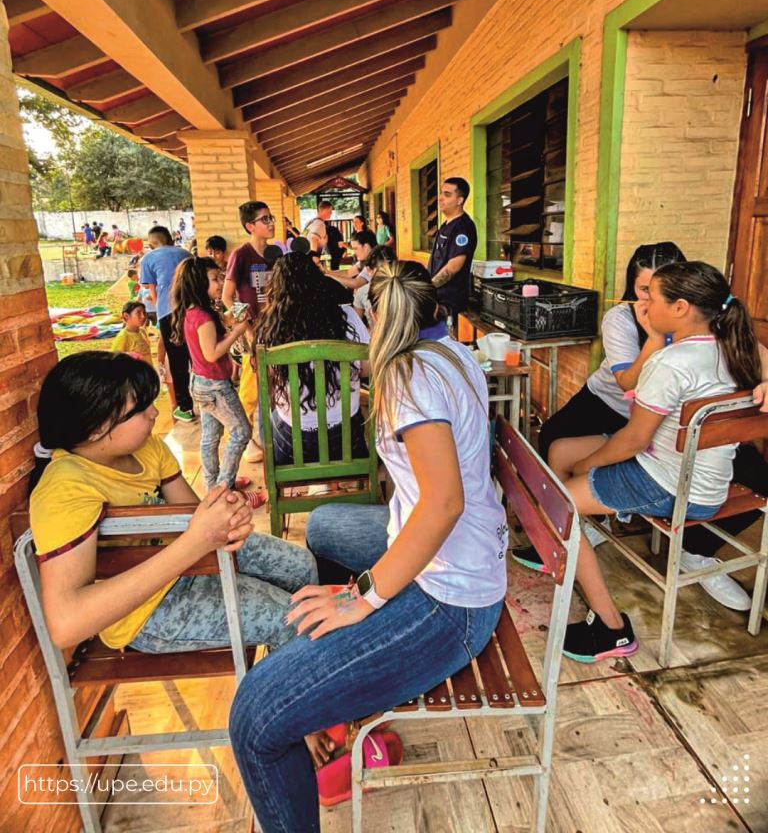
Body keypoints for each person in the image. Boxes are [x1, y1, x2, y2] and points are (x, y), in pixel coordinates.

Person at [229, 260, 507, 832]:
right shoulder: (449, 353)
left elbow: (443, 504)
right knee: (326, 525)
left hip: (451, 598)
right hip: (458, 556)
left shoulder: (409, 377)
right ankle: (343, 701)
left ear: (373, 319)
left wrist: (365, 598)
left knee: (256, 716)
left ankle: (343, 684)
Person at [513, 242, 768, 612]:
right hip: (672, 456)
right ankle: (574, 537)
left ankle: (603, 611)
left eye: (656, 295)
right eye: (642, 291)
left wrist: (591, 466)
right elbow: (625, 392)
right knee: (559, 447)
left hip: (664, 474)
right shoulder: (727, 344)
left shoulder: (673, 361)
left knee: (562, 499)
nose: (645, 304)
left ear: (681, 306)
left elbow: (633, 440)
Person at [30, 352, 317, 656]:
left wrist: (227, 516)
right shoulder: (66, 488)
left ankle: (299, 660)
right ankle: (285, 692)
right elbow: (66, 624)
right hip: (145, 612)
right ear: (97, 429)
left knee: (303, 568)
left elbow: (191, 515)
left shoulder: (147, 449)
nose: (155, 413)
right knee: (295, 619)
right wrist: (196, 541)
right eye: (140, 409)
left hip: (189, 564)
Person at [254, 252, 370, 465]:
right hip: (346, 442)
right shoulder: (349, 318)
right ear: (320, 281)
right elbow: (366, 370)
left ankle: (269, 459)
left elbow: (269, 382)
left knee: (266, 404)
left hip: (293, 446)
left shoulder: (271, 327)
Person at [170, 257, 264, 505]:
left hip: (200, 383)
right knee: (242, 431)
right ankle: (224, 487)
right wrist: (237, 332)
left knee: (210, 437)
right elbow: (211, 353)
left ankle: (213, 487)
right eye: (214, 279)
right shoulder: (202, 317)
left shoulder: (193, 311)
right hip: (214, 386)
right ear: (198, 283)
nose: (220, 283)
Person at [223, 202, 278, 460]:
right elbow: (227, 297)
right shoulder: (241, 255)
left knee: (273, 387)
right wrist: (244, 326)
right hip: (252, 332)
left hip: (275, 328)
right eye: (264, 219)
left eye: (271, 218)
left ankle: (272, 438)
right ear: (250, 226)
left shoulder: (275, 253)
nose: (270, 223)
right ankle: (244, 442)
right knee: (250, 389)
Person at [139, 225, 193, 423]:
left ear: (152, 243)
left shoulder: (149, 258)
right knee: (196, 354)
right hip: (192, 310)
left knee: (177, 360)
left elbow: (151, 291)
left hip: (167, 312)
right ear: (170, 239)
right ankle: (208, 398)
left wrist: (159, 301)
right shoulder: (186, 254)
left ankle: (185, 407)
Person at [427, 177, 477, 321]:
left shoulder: (463, 227)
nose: (440, 198)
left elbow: (454, 266)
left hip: (449, 302)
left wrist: (428, 286)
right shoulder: (445, 226)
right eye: (441, 193)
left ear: (460, 200)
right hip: (436, 297)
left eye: (447, 195)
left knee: (446, 341)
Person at [354, 244, 396, 324]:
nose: (387, 275)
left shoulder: (403, 290)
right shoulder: (362, 292)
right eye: (382, 272)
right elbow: (356, 325)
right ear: (369, 270)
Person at [111, 301, 152, 365]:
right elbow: (115, 361)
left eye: (144, 312)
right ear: (126, 316)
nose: (143, 316)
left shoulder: (142, 331)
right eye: (138, 313)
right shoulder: (123, 337)